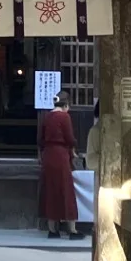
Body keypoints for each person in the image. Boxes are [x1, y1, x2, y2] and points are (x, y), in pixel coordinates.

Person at [39, 91, 81, 239]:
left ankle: (52, 229)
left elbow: (41, 139)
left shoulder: (47, 117)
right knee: (66, 190)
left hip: (48, 155)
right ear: (66, 105)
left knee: (50, 191)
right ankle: (72, 230)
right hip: (61, 155)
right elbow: (69, 138)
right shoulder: (64, 117)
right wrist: (74, 148)